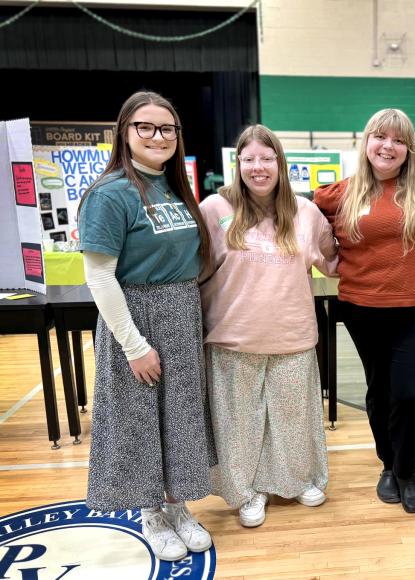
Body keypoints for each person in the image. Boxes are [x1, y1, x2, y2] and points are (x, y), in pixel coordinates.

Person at [78, 91, 215, 561]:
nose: (158, 136)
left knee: (179, 418)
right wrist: (134, 345)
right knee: (138, 421)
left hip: (180, 313)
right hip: (136, 317)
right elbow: (98, 276)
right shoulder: (110, 193)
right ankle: (150, 512)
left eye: (167, 128)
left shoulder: (173, 186)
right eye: (146, 127)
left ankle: (177, 505)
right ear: (125, 132)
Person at [199, 125, 337, 528]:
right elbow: (194, 270)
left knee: (294, 418)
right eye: (249, 159)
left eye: (267, 158)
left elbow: (335, 261)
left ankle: (295, 480)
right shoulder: (214, 210)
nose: (258, 167)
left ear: (280, 162)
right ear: (237, 164)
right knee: (239, 425)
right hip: (233, 339)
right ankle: (246, 491)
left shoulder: (305, 212)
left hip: (292, 336)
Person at [314, 109, 415, 513]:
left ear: (409, 148)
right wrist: (325, 261)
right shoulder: (340, 193)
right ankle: (389, 465)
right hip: (364, 309)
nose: (388, 146)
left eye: (398, 139)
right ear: (367, 141)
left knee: (408, 392)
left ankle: (408, 469)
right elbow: (301, 222)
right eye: (380, 137)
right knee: (380, 391)